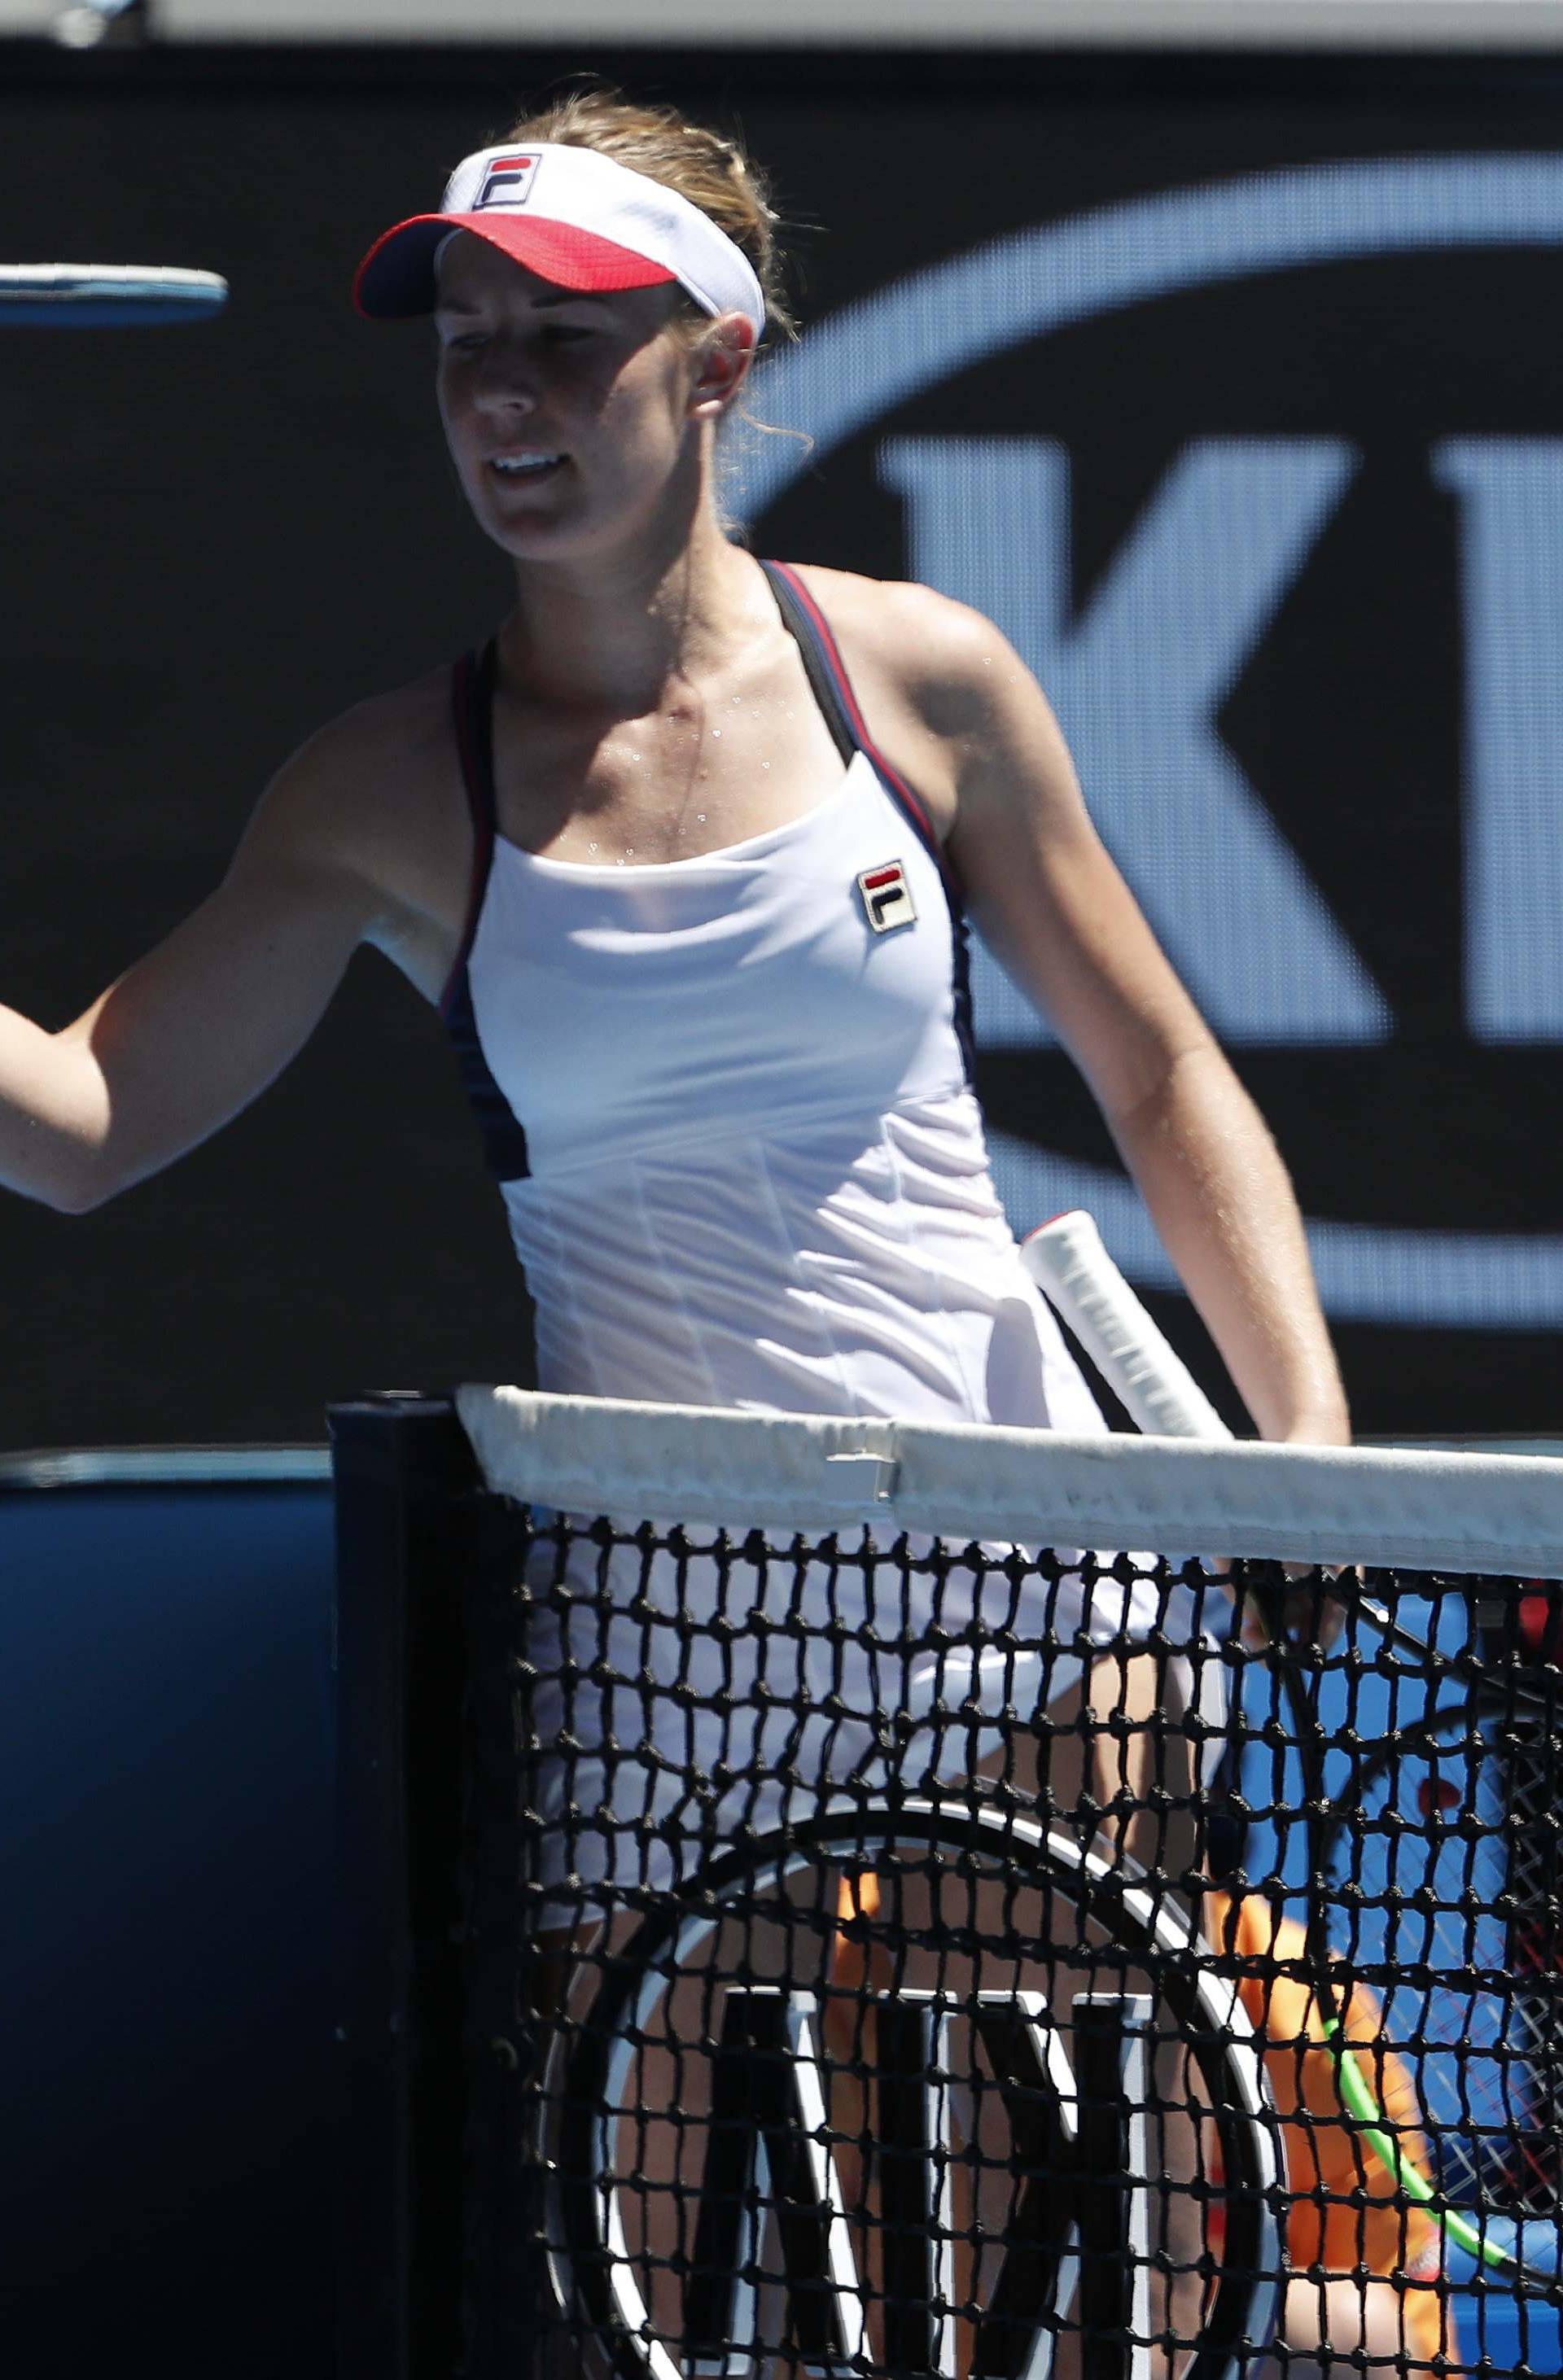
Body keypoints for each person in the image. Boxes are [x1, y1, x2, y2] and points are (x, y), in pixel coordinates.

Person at [5, 84, 1365, 2373]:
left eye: (572, 339)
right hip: (671, 1638)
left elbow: (1160, 1076)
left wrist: (1300, 1443)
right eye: (466, 340)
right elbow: (78, 1125)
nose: (505, 395)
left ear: (718, 362)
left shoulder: (917, 681)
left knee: (1024, 2309)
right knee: (667, 2318)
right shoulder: (381, 791)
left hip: (1028, 1603)